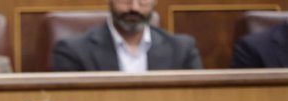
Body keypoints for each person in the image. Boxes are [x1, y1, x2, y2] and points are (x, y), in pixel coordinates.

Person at [52, 0, 202, 72]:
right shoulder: (72, 51)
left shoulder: (182, 49)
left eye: (142, 0)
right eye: (125, 0)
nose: (134, 7)